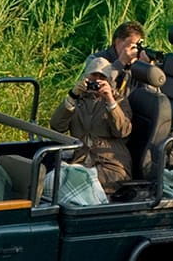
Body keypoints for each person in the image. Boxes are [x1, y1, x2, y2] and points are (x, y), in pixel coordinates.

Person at [49, 56, 133, 194]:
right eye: (93, 76)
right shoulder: (78, 99)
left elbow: (123, 131)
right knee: (53, 180)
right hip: (80, 162)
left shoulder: (119, 100)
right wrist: (72, 96)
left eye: (102, 78)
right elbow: (57, 126)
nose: (96, 81)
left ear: (109, 81)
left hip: (110, 166)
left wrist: (110, 102)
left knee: (75, 181)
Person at [88, 20, 148, 97]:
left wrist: (146, 72)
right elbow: (96, 90)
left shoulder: (134, 66)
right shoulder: (96, 60)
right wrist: (120, 63)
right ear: (118, 41)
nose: (135, 51)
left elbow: (149, 96)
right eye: (133, 46)